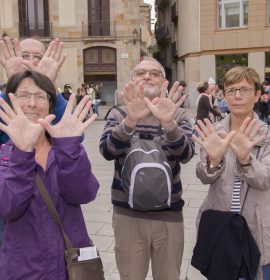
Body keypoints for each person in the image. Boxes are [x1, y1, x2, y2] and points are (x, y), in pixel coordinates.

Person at [99, 57, 195, 280]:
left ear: (164, 82)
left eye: (154, 73)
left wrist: (169, 124)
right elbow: (107, 151)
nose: (147, 76)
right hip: (127, 215)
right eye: (141, 72)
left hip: (169, 215)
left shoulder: (178, 114)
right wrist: (130, 121)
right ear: (133, 80)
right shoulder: (118, 113)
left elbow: (186, 155)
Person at [0, 70, 99, 279]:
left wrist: (69, 149)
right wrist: (22, 153)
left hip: (70, 266)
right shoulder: (4, 155)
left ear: (50, 104)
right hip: (23, 270)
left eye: (40, 96)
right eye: (24, 95)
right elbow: (8, 207)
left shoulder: (67, 147)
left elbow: (84, 194)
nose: (32, 103)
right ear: (11, 103)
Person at [193, 66, 270, 280]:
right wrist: (213, 162)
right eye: (231, 90)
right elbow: (203, 176)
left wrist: (246, 160)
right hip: (220, 224)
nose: (237, 96)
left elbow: (265, 180)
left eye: (244, 90)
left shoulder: (267, 135)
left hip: (256, 226)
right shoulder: (214, 132)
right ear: (224, 95)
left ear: (257, 94)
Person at [0, 36, 68, 141]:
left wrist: (48, 83)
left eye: (37, 56)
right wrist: (13, 82)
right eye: (24, 56)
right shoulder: (4, 96)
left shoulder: (52, 98)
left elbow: (73, 134)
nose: (30, 61)